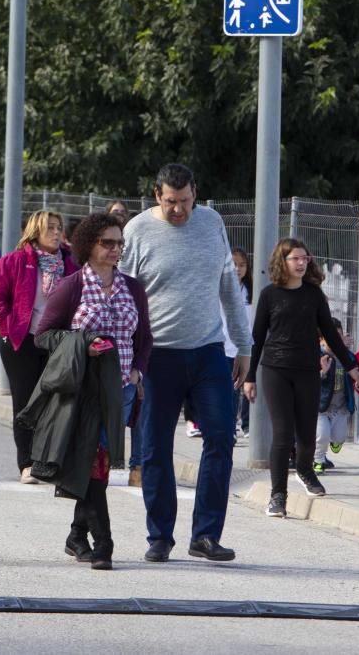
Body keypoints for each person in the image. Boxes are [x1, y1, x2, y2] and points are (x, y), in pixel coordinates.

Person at [120, 163, 251, 563]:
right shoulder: (138, 231)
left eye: (186, 201)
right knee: (155, 446)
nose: (179, 210)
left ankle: (206, 534)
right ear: (157, 195)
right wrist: (130, 358)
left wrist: (243, 345)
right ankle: (159, 536)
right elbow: (124, 296)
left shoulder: (212, 222)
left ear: (196, 192)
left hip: (209, 350)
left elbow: (229, 286)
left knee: (220, 437)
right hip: (158, 356)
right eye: (171, 202)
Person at [24, 212, 152, 571]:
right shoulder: (72, 286)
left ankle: (76, 535)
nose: (115, 249)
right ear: (89, 245)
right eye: (107, 243)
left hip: (121, 391)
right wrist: (83, 344)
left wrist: (139, 372)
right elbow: (44, 334)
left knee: (98, 465)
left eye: (119, 243)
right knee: (93, 463)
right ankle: (104, 543)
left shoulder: (133, 287)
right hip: (83, 389)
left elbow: (144, 339)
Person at [243, 239, 359, 517]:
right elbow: (257, 338)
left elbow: (331, 336)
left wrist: (351, 366)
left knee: (307, 435)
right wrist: (250, 376)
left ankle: (305, 470)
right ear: (282, 262)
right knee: (283, 435)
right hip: (276, 370)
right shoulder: (269, 295)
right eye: (295, 259)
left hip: (308, 370)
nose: (301, 263)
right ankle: (278, 496)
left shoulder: (313, 295)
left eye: (304, 259)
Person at [0, 210, 78, 483]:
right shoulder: (15, 261)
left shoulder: (71, 263)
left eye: (59, 227)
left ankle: (49, 461)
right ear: (35, 230)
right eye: (50, 227)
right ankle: (26, 463)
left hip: (57, 341)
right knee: (25, 404)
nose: (56, 232)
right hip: (21, 342)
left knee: (55, 404)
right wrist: (8, 326)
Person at [314, 317, 358, 474]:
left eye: (338, 335)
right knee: (322, 435)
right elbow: (311, 381)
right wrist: (322, 372)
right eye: (330, 336)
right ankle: (318, 460)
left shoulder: (347, 356)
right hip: (321, 406)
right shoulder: (318, 356)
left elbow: (356, 368)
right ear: (321, 339)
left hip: (341, 406)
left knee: (339, 437)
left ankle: (335, 442)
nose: (335, 339)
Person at [231, 247, 253, 437]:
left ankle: (246, 425)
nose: (238, 269)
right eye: (234, 265)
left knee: (248, 387)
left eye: (242, 265)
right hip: (226, 348)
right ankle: (230, 426)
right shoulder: (222, 288)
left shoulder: (250, 291)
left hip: (246, 348)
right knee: (231, 390)